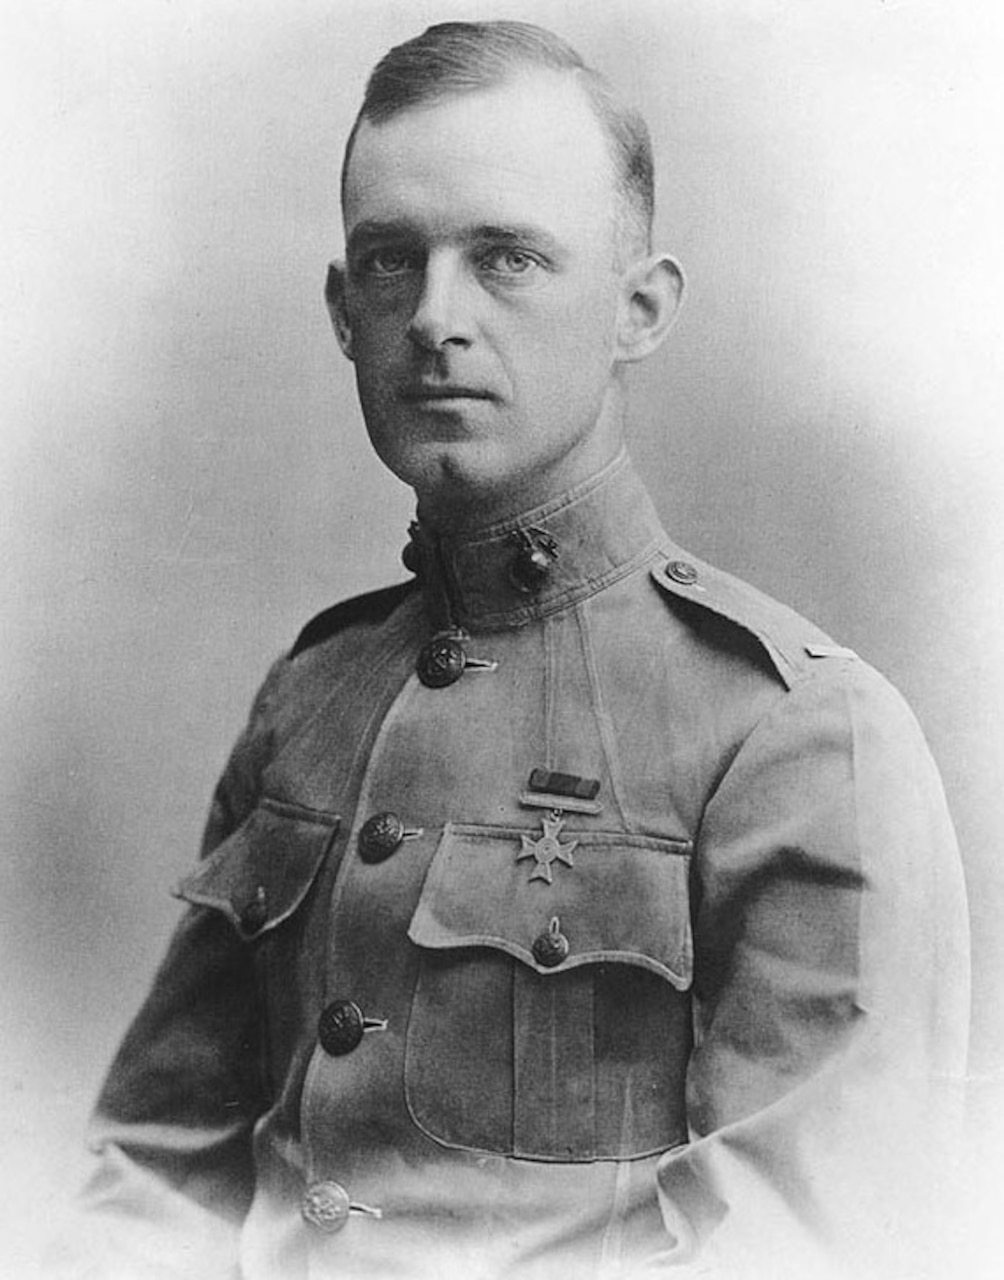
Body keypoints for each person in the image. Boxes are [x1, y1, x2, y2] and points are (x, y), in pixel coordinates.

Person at [68, 19, 969, 1280]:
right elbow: (152, 1181)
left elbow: (817, 1247)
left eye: (505, 258)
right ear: (340, 312)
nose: (434, 317)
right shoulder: (313, 698)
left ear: (638, 309)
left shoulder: (795, 735)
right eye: (391, 261)